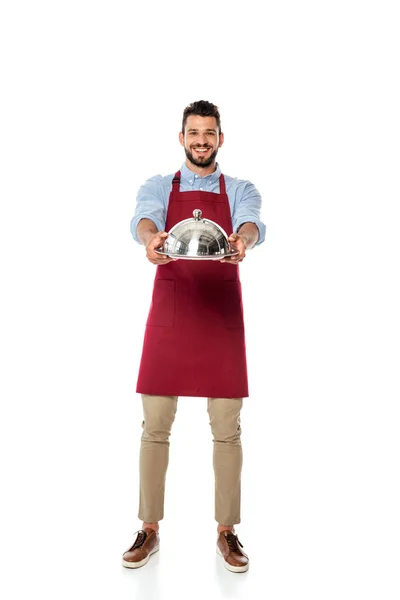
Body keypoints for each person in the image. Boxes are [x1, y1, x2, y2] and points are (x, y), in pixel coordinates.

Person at [122, 100, 266, 573]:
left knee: (227, 431)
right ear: (181, 138)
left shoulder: (240, 187)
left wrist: (243, 239)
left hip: (220, 316)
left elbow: (250, 220)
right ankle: (149, 528)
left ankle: (227, 532)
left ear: (220, 139)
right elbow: (143, 219)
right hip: (171, 313)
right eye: (193, 132)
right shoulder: (159, 186)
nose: (201, 140)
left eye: (209, 133)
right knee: (155, 427)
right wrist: (150, 239)